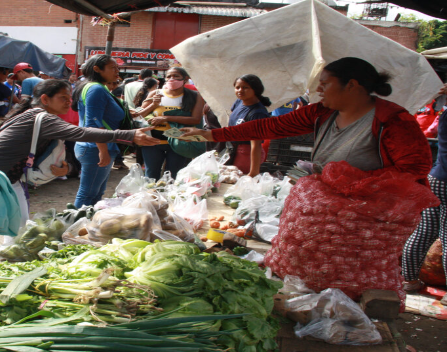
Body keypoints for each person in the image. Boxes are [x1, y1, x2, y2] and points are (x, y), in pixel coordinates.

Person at [181, 57, 432, 181]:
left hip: (374, 211)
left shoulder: (393, 120)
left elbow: (414, 171)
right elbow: (271, 126)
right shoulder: (320, 112)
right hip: (330, 197)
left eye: (324, 84)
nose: (318, 90)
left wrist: (354, 184)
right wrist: (213, 134)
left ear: (351, 85)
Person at [0, 79, 159, 229]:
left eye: (69, 97)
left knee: (18, 221)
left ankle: (11, 254)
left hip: (9, 177)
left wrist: (68, 168)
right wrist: (129, 135)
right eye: (63, 98)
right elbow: (81, 133)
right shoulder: (41, 117)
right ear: (45, 99)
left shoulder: (37, 116)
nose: (68, 102)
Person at [402, 83, 447, 301]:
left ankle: (409, 280)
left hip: (436, 178)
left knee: (425, 230)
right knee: (445, 236)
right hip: (444, 180)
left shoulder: (443, 113)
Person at [72, 54, 129, 207]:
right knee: (88, 194)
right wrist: (102, 150)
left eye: (117, 67)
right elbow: (93, 123)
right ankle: (76, 225)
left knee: (96, 193)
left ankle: (90, 223)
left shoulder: (96, 87)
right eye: (112, 68)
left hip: (95, 146)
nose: (117, 71)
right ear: (97, 69)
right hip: (95, 147)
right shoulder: (96, 89)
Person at [138, 67, 205, 180]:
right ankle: (151, 196)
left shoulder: (196, 96)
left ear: (185, 79)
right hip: (153, 141)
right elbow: (139, 116)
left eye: (176, 76)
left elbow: (195, 120)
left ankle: (169, 197)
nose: (172, 79)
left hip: (179, 141)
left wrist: (166, 118)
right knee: (151, 175)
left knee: (173, 176)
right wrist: (153, 105)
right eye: (169, 76)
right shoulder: (155, 93)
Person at [226, 74, 271, 176]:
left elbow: (256, 145)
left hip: (246, 153)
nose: (240, 91)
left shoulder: (257, 113)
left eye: (245, 87)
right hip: (232, 149)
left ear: (256, 89)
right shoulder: (239, 102)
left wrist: (253, 172)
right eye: (237, 87)